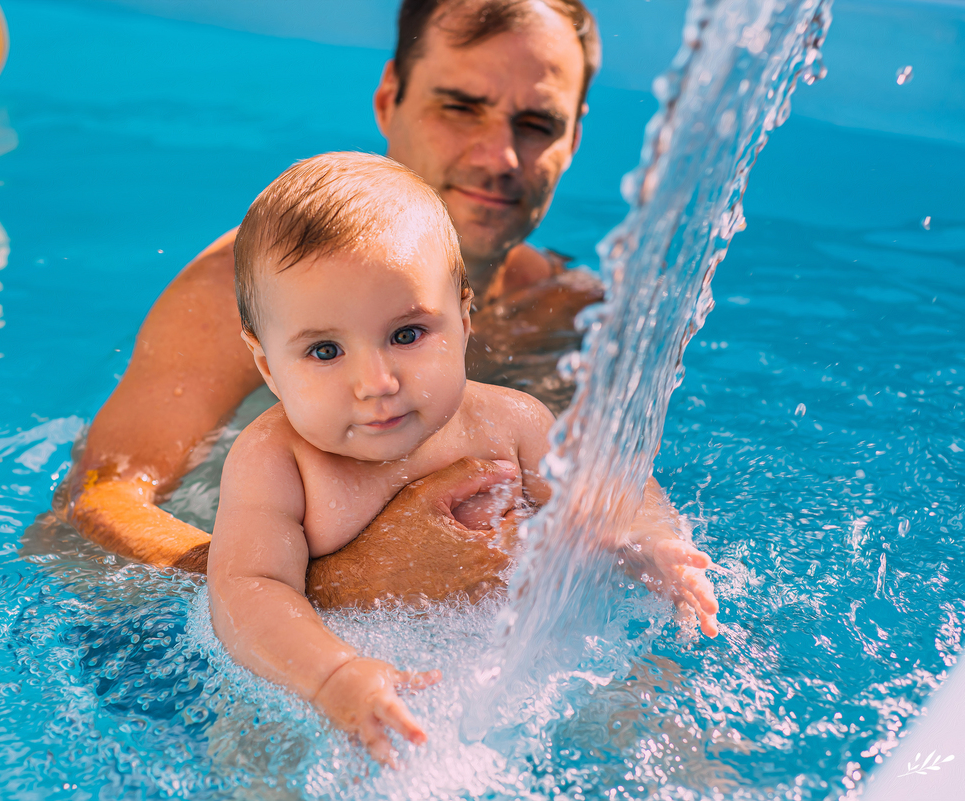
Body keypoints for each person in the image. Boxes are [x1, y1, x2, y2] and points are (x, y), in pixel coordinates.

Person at [63, 0, 720, 636]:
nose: (500, 157)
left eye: (536, 124)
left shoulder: (573, 314)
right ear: (389, 98)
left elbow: (610, 493)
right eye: (460, 107)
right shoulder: (245, 291)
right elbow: (92, 508)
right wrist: (341, 580)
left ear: (573, 137)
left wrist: (658, 553)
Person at [209, 152, 702, 766]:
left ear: (465, 320)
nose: (376, 381)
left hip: (521, 677)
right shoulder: (276, 462)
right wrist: (332, 676)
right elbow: (245, 590)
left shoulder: (510, 423)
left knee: (656, 720)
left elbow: (608, 490)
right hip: (320, 694)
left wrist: (649, 541)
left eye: (408, 334)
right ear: (267, 367)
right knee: (253, 761)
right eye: (325, 350)